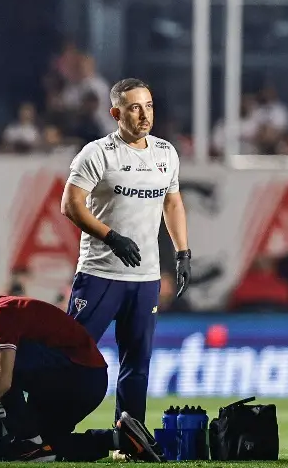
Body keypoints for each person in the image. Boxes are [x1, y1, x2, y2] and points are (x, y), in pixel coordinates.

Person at [60, 78, 191, 427]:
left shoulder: (165, 153)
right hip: (100, 274)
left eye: (148, 106)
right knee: (72, 355)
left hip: (145, 277)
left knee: (138, 362)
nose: (143, 114)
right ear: (115, 113)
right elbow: (70, 205)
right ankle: (49, 430)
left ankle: (129, 437)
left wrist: (182, 253)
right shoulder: (98, 153)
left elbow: (173, 203)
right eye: (134, 107)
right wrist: (111, 237)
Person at [0, 284, 164, 462]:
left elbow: (0, 382)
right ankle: (122, 439)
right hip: (81, 379)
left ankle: (27, 439)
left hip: (79, 378)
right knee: (45, 450)